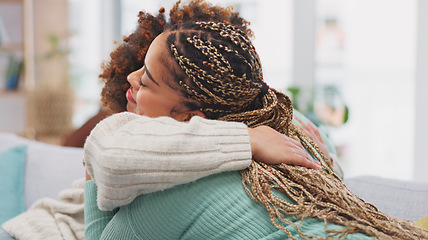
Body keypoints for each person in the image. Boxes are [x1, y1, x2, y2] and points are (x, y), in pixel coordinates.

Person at [84, 1, 428, 239]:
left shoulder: (169, 190)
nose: (130, 78)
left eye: (145, 81)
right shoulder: (279, 138)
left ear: (192, 117)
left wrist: (90, 177)